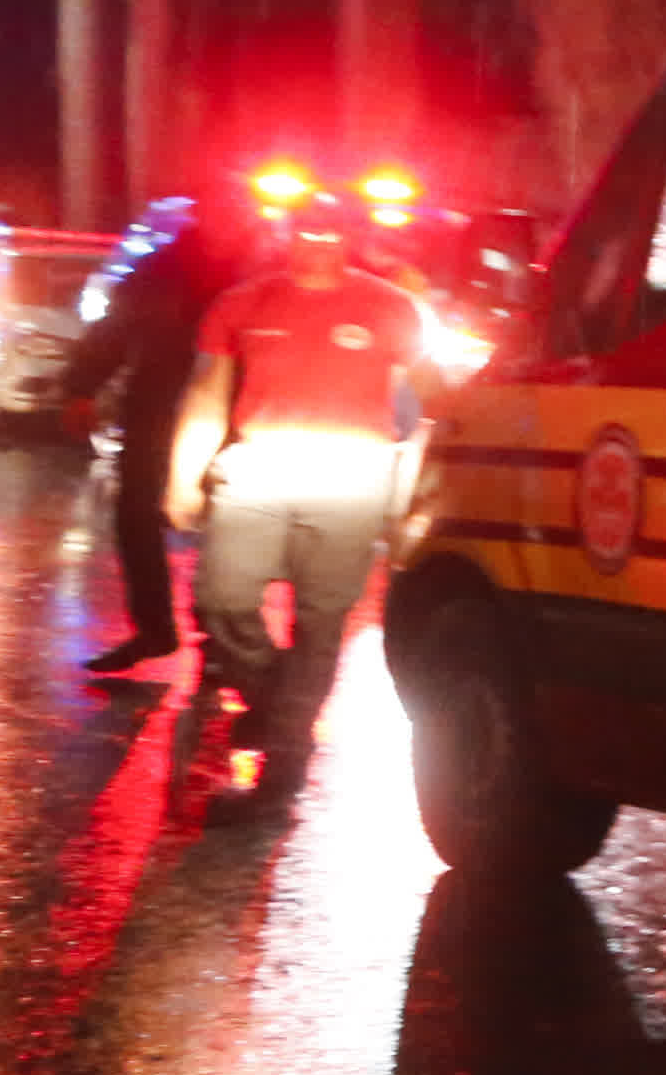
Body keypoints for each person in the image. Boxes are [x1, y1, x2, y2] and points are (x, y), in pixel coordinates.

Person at [175, 190, 430, 781]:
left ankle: (286, 751)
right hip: (258, 471)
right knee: (223, 601)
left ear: (351, 237)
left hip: (354, 481)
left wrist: (412, 485)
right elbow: (208, 396)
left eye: (331, 232)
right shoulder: (241, 304)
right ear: (287, 233)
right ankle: (273, 701)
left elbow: (430, 402)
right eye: (306, 231)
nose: (317, 244)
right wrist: (181, 478)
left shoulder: (391, 308)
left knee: (321, 618)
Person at [59, 200, 237, 674]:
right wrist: (82, 387)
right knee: (138, 519)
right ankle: (158, 628)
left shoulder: (264, 272)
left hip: (233, 418)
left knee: (234, 530)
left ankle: (217, 638)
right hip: (158, 410)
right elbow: (114, 328)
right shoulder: (165, 267)